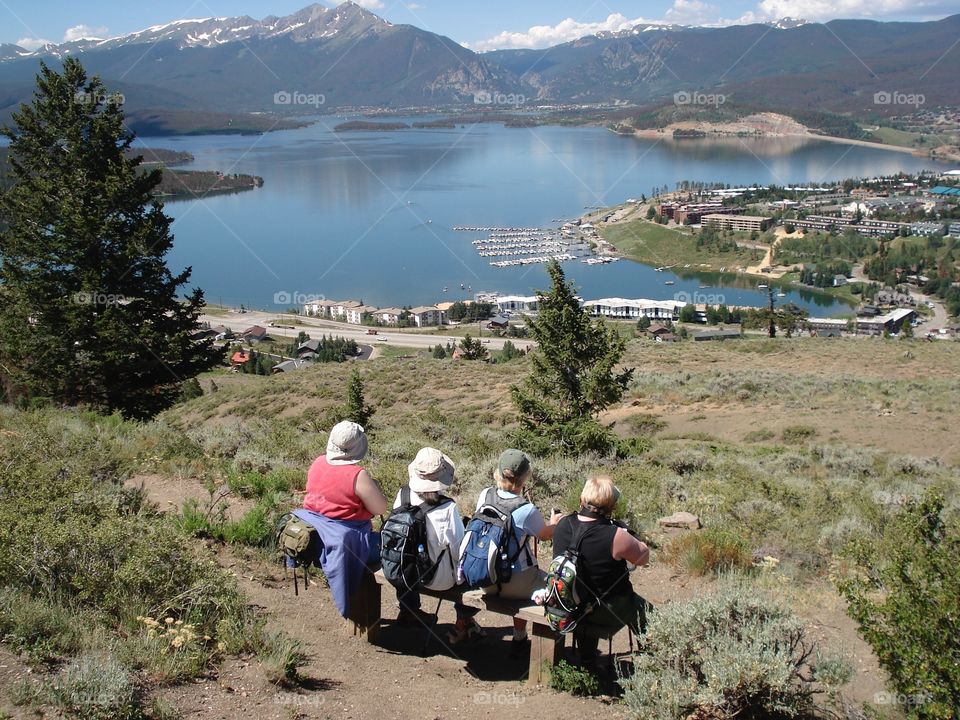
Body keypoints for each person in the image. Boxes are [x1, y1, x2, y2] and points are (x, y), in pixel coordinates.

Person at [550, 475, 651, 666]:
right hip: (604, 608)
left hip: (568, 603)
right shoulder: (615, 535)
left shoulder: (563, 524)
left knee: (586, 593)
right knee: (641, 608)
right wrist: (632, 534)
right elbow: (643, 557)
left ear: (582, 500)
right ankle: (659, 652)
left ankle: (587, 656)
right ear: (611, 507)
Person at [294, 421, 387, 617]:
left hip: (318, 537)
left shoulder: (318, 462)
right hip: (345, 542)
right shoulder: (357, 475)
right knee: (391, 546)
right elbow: (380, 508)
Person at [393, 447, 485, 644]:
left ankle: (408, 610)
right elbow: (458, 550)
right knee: (475, 569)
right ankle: (463, 622)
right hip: (436, 579)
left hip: (404, 570)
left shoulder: (403, 495)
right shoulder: (447, 507)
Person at [477, 449, 562, 654]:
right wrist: (555, 523)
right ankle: (540, 648)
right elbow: (544, 535)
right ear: (525, 476)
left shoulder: (485, 495)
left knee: (525, 576)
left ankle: (520, 636)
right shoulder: (526, 509)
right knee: (554, 587)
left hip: (485, 578)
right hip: (515, 582)